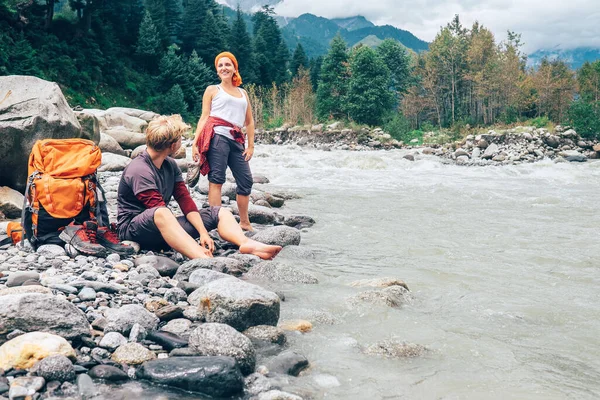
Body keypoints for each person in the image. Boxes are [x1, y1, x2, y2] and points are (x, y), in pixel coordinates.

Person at [116, 114, 281, 260]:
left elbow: (184, 199)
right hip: (134, 230)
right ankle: (201, 256)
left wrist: (202, 232)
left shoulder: (170, 165)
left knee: (219, 212)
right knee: (162, 212)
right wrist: (193, 243)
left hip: (164, 226)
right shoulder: (139, 169)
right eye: (180, 138)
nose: (182, 142)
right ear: (171, 145)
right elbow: (157, 210)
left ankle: (245, 243)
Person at [192, 51, 255, 231]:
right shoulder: (212, 90)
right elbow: (204, 117)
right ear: (217, 70)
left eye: (227, 64)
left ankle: (244, 222)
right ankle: (216, 223)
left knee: (246, 180)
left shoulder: (243, 93)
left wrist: (250, 146)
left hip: (237, 140)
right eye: (220, 65)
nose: (224, 68)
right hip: (217, 137)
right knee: (216, 180)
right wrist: (195, 143)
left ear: (235, 68)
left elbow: (249, 122)